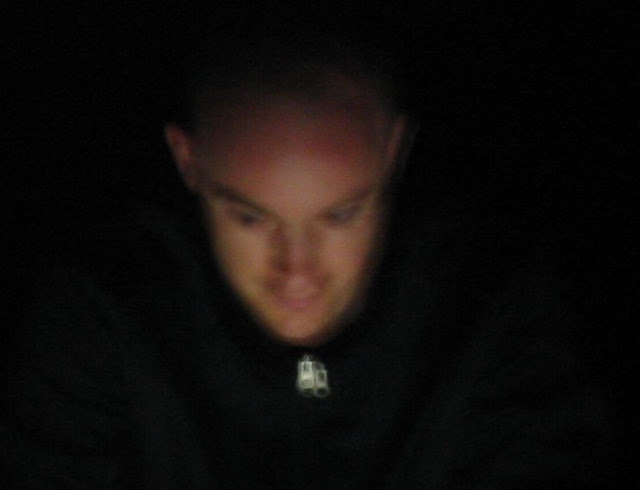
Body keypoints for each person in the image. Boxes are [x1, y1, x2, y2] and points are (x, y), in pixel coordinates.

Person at [1, 17, 612, 490]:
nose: (297, 273)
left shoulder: (490, 303)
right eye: (250, 217)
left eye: (340, 215)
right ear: (189, 161)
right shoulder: (103, 309)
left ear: (394, 152)